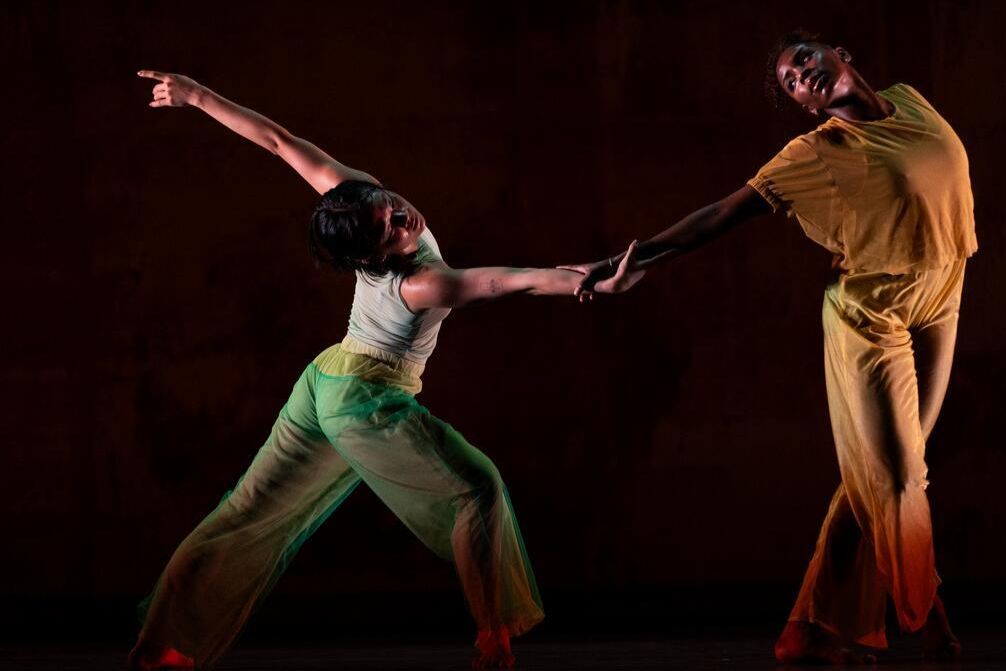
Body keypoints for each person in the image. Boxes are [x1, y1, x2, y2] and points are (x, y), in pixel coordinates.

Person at [128, 70, 641, 671]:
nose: (405, 220)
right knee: (476, 489)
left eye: (392, 206)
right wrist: (585, 284)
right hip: (365, 401)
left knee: (248, 508)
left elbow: (278, 140)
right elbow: (503, 281)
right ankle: (492, 641)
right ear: (372, 257)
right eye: (393, 230)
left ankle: (159, 646)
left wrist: (199, 97)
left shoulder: (357, 196)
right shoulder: (421, 283)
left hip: (325, 380)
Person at [565, 29, 974, 663]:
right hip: (871, 317)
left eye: (804, 60)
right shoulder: (815, 151)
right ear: (806, 108)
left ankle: (814, 630)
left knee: (888, 474)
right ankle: (926, 622)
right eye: (789, 82)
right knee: (896, 479)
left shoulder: (912, 101)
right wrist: (633, 258)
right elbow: (723, 213)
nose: (801, 76)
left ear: (842, 52)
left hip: (943, 297)